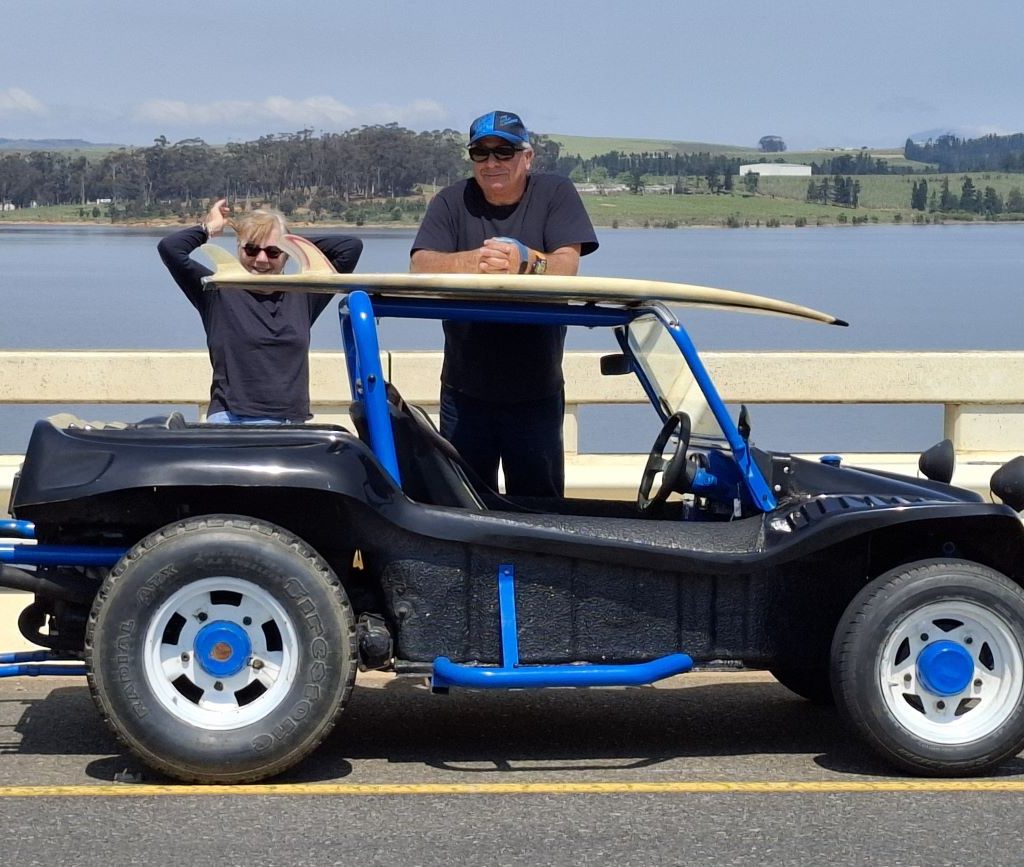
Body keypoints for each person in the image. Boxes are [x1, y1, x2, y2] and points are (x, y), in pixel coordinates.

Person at [410, 110, 598, 498]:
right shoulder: (450, 201)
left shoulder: (555, 193)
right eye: (481, 154)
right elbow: (420, 265)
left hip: (537, 393)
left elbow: (567, 266)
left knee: (540, 510)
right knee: (463, 506)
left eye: (504, 152)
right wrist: (476, 262)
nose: (492, 163)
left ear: (527, 157)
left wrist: (526, 262)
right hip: (464, 394)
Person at [158, 199, 362, 424]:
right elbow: (171, 248)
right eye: (252, 249)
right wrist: (209, 228)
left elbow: (350, 248)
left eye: (273, 252)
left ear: (286, 255)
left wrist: (288, 242)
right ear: (239, 248)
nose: (262, 260)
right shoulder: (217, 290)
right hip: (230, 419)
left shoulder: (305, 294)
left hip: (289, 424)